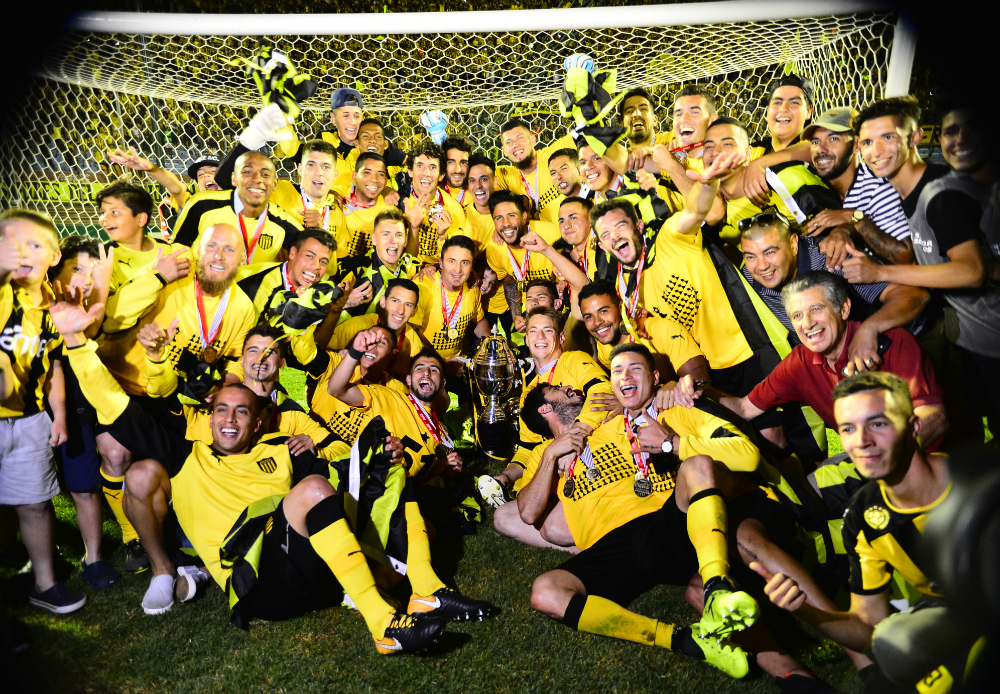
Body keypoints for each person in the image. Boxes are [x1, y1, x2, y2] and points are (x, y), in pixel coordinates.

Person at [51, 294, 461, 652]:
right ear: (209, 416)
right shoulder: (186, 454)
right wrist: (75, 341)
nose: (229, 419)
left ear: (260, 421)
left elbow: (348, 470)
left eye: (241, 411)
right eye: (221, 411)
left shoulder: (281, 448)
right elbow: (116, 407)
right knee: (313, 488)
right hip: (257, 586)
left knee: (372, 465)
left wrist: (382, 453)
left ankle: (424, 590)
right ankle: (382, 620)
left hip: (305, 571)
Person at [523, 344, 761, 679]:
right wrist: (551, 457)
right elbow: (528, 513)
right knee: (546, 591)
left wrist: (665, 392)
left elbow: (644, 401)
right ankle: (683, 640)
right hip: (612, 548)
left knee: (698, 466)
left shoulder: (615, 421)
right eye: (560, 391)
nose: (570, 388)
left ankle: (716, 589)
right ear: (547, 410)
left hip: (660, 522)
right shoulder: (542, 458)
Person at [753, 372, 981, 692]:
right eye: (848, 428)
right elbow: (867, 630)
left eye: (877, 423)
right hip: (952, 615)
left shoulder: (978, 475)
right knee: (892, 646)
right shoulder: (863, 514)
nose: (861, 441)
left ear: (914, 426)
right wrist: (808, 612)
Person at [95, 223, 257, 572]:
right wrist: (156, 277)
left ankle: (172, 525)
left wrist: (216, 384)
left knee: (169, 467)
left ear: (241, 261)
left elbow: (236, 365)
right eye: (212, 246)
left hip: (174, 396)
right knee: (115, 452)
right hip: (123, 383)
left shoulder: (242, 306)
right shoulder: (170, 266)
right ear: (198, 248)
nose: (219, 256)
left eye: (230, 251)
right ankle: (130, 537)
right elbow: (111, 317)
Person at [846, 96, 1000, 433]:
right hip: (974, 336)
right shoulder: (912, 192)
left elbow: (970, 271)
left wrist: (880, 273)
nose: (877, 151)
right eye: (868, 142)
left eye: (889, 137)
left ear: (914, 138)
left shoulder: (939, 194)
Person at [669, 271, 949, 452]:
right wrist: (699, 388)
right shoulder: (800, 362)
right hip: (868, 464)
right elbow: (743, 408)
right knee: (806, 497)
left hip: (932, 460)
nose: (808, 323)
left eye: (816, 309)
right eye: (798, 316)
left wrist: (885, 457)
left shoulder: (892, 341)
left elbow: (935, 418)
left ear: (844, 308)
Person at [0, 210, 87, 615]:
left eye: (35, 245)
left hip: (32, 419)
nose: (22, 252)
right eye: (13, 243)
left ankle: (45, 583)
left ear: (54, 256)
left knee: (33, 502)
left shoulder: (54, 307)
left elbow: (52, 367)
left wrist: (61, 416)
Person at [738, 212, 929, 362]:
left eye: (770, 252)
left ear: (794, 244)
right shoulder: (747, 279)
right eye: (750, 256)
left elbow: (913, 295)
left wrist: (869, 329)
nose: (761, 266)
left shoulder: (831, 260)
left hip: (908, 341)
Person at [139, 322, 339, 458]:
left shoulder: (291, 414)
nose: (261, 358)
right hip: (201, 484)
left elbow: (341, 449)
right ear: (242, 360)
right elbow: (163, 394)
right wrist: (156, 356)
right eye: (253, 351)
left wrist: (314, 449)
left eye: (270, 352)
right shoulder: (209, 396)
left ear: (282, 364)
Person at [47, 236, 121, 592]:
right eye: (77, 269)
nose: (85, 278)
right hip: (52, 412)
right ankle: (43, 553)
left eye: (93, 271)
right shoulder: (44, 309)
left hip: (93, 410)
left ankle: (94, 556)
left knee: (84, 485)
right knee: (41, 490)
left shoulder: (101, 309)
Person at [799, 107, 915, 266]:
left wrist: (854, 217)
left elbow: (906, 257)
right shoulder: (816, 183)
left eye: (833, 139)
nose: (821, 149)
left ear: (856, 145)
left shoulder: (876, 187)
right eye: (815, 142)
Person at [702, 118, 843, 245]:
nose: (715, 152)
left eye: (727, 144)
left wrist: (758, 163)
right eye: (708, 146)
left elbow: (841, 222)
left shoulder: (785, 178)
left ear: (748, 153)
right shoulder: (719, 211)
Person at [172, 150, 302, 268]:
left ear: (275, 184)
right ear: (234, 179)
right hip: (201, 286)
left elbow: (312, 249)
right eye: (248, 172)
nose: (257, 179)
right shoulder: (203, 204)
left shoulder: (281, 222)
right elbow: (178, 243)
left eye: (265, 174)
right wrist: (190, 275)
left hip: (248, 291)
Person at [576, 280, 708, 382]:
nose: (597, 322)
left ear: (621, 307)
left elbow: (700, 387)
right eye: (588, 317)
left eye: (603, 311)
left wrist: (667, 390)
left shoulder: (662, 330)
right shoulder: (604, 346)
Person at [484, 190, 561, 334]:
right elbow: (509, 281)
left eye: (511, 216)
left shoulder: (553, 234)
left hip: (559, 303)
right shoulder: (494, 248)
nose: (505, 224)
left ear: (524, 216)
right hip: (530, 306)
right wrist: (516, 315)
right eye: (499, 218)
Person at [95, 180, 190, 296]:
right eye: (102, 212)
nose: (105, 219)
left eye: (114, 212)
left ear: (141, 219)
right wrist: (157, 277)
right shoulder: (101, 257)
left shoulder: (171, 251)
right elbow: (106, 310)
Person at [105, 147, 220, 238]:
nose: (205, 175)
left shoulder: (236, 201)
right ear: (198, 186)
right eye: (200, 174)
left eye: (213, 171)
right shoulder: (192, 204)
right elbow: (176, 187)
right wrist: (151, 168)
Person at [412, 236, 490, 368]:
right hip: (426, 366)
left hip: (458, 365)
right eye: (452, 261)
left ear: (472, 266)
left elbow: (479, 321)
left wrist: (492, 344)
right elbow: (410, 335)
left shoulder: (472, 289)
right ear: (441, 263)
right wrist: (442, 364)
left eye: (465, 262)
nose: (458, 270)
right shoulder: (423, 287)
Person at [335, 208, 422, 319]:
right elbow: (321, 310)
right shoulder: (353, 270)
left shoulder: (407, 266)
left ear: (405, 241)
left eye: (399, 235)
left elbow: (411, 258)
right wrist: (344, 303)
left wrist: (429, 269)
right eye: (386, 234)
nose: (393, 241)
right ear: (374, 239)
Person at [236, 227, 337, 321]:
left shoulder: (319, 294)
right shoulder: (260, 288)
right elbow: (245, 337)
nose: (316, 266)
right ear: (293, 253)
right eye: (309, 256)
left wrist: (335, 311)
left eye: (323, 262)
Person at [402, 140, 468, 264]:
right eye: (420, 166)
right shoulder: (396, 201)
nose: (426, 173)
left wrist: (443, 236)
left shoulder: (454, 210)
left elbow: (456, 261)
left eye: (432, 167)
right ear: (410, 171)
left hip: (435, 275)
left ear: (441, 175)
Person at [336, 152, 393, 259]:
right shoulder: (336, 194)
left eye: (380, 174)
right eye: (367, 172)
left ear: (386, 181)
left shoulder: (389, 211)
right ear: (354, 176)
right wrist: (329, 194)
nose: (374, 179)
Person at [441, 136, 474, 207]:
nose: (458, 170)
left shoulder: (479, 191)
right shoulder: (434, 190)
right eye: (451, 162)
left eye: (463, 163)